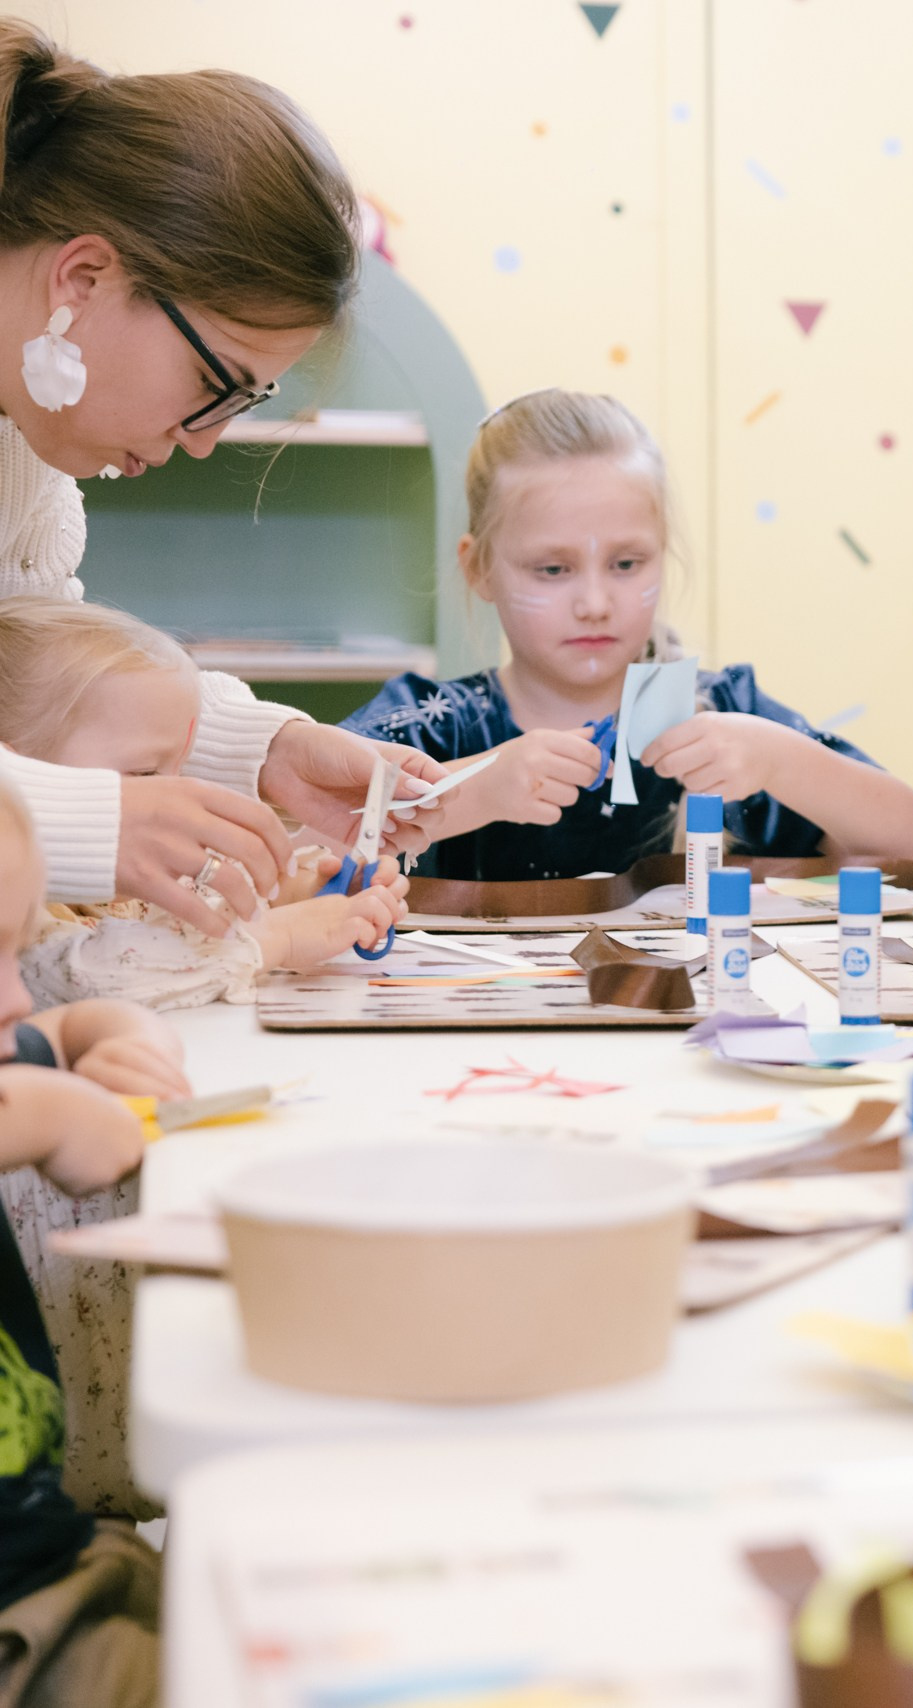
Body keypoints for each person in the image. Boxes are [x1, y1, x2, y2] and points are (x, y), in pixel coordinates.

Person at [0, 20, 447, 938]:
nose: (204, 441)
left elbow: (40, 684)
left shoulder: (27, 444)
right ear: (83, 276)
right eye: (215, 384)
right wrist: (96, 820)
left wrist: (265, 751)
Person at [345, 389, 913, 881]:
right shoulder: (435, 724)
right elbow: (305, 856)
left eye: (627, 564)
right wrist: (475, 790)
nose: (594, 603)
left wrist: (780, 761)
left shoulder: (724, 719)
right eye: (552, 570)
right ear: (479, 569)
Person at [0, 600, 404, 1007]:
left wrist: (298, 896)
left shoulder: (153, 865)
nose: (174, 794)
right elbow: (96, 978)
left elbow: (206, 911)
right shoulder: (18, 902)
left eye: (184, 766)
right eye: (143, 774)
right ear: (23, 773)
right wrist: (278, 938)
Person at [0, 781, 174, 1707]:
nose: (15, 996)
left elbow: (60, 1027)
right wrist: (42, 1111)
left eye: (15, 950)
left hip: (58, 1555)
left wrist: (122, 1033)